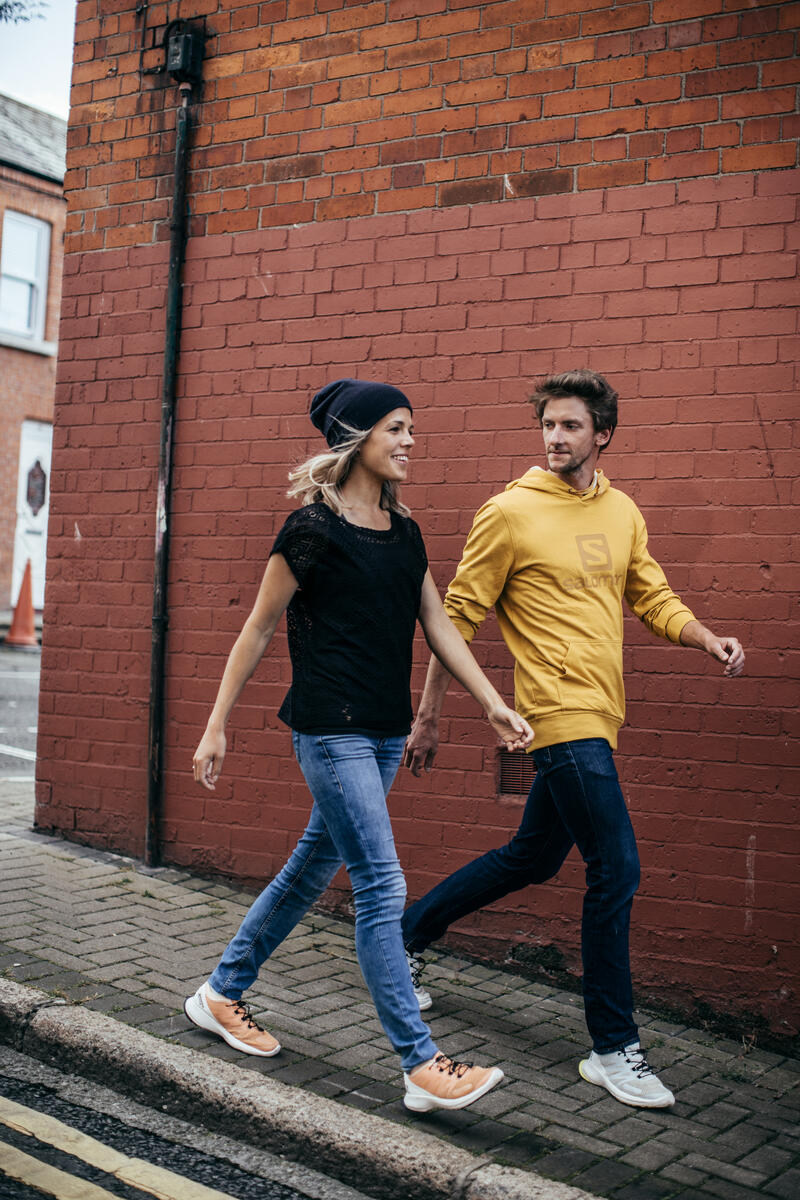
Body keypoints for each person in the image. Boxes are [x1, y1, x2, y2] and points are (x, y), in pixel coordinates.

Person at [187, 378, 534, 1114]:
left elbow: (438, 624)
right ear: (357, 437)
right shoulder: (311, 531)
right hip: (329, 730)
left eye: (411, 427)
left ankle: (221, 991)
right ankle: (421, 1064)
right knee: (381, 884)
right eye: (396, 428)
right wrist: (216, 724)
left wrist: (493, 703)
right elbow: (258, 628)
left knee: (312, 867)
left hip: (382, 733)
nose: (410, 441)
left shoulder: (404, 531)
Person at [401, 369, 744, 1110]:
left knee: (531, 857)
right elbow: (456, 619)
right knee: (616, 868)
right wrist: (428, 715)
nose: (555, 437)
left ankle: (404, 939)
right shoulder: (509, 513)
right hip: (554, 717)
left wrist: (703, 637)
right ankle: (613, 1048)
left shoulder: (621, 511)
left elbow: (650, 595)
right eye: (548, 425)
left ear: (603, 435)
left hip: (601, 714)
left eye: (570, 426)